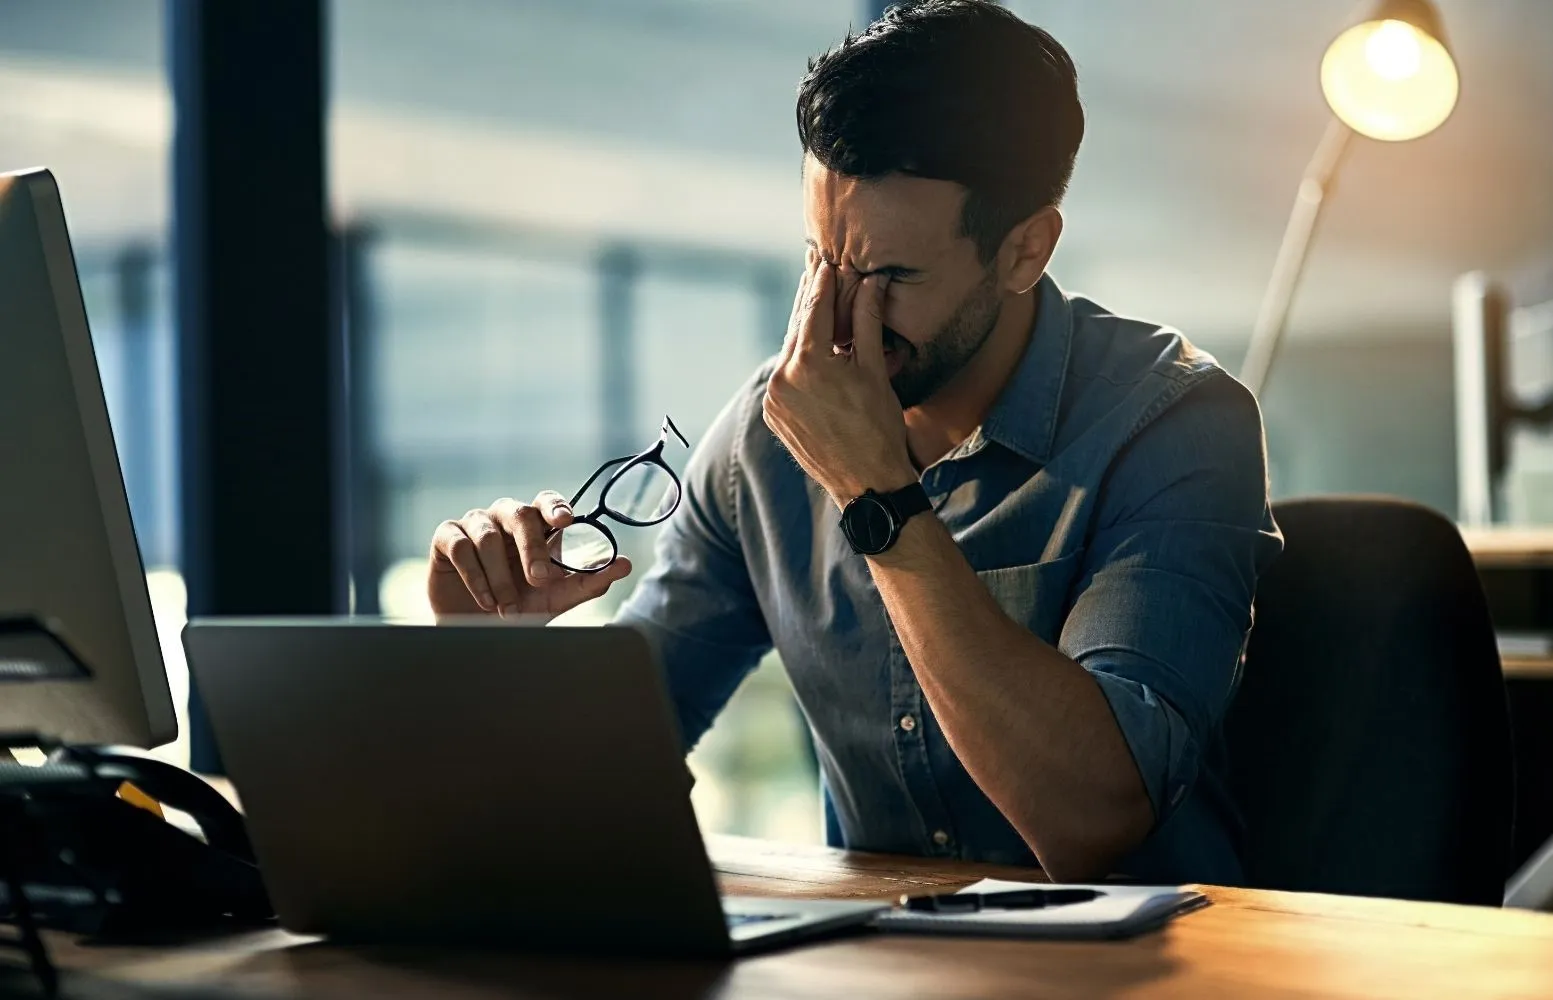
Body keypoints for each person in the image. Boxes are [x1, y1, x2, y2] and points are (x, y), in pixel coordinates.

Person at [426, 0, 1282, 884]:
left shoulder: (1175, 424)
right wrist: (497, 658)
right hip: (874, 963)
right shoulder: (761, 443)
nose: (838, 322)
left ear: (1025, 251)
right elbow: (606, 780)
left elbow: (1092, 819)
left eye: (890, 277)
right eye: (819, 261)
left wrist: (878, 496)